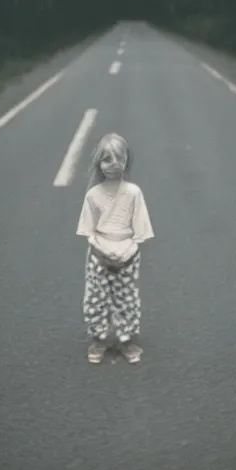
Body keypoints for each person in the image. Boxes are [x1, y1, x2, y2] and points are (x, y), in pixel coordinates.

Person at [77, 133, 154, 364]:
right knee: (95, 299)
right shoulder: (93, 195)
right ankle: (98, 340)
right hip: (99, 255)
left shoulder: (133, 193)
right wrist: (102, 253)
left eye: (118, 158)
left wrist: (126, 252)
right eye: (106, 159)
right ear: (98, 163)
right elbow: (89, 231)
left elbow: (140, 231)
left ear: (126, 161)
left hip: (128, 255)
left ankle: (126, 340)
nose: (113, 164)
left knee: (126, 299)